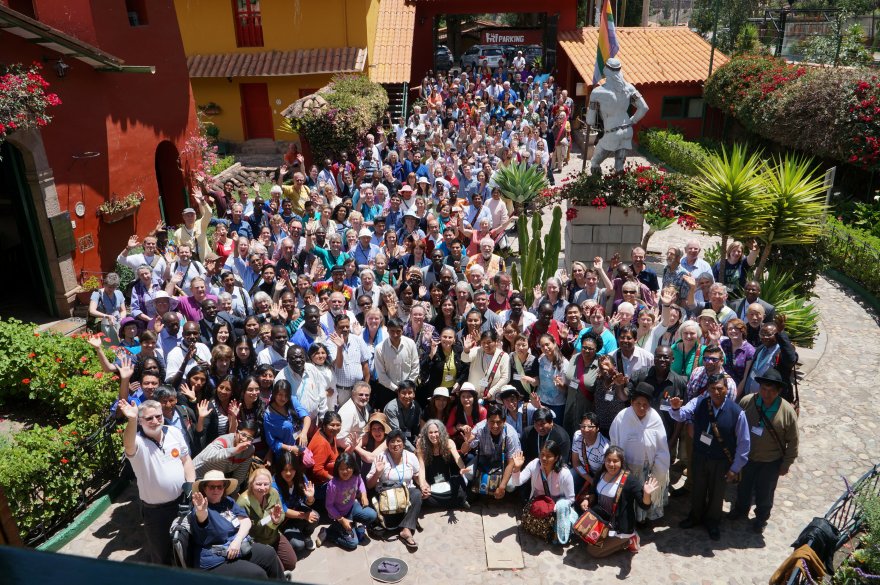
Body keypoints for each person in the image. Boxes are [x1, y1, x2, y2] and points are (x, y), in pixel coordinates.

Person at [669, 373, 750, 541]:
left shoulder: (737, 413)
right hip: (699, 456)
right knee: (698, 488)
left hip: (720, 461)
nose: (716, 392)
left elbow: (744, 443)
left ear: (726, 389)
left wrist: (735, 468)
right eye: (712, 389)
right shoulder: (699, 402)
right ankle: (695, 516)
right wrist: (676, 408)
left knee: (716, 493)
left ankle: (713, 522)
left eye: (720, 388)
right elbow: (681, 415)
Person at [117, 398, 195, 565]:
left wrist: (191, 483)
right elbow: (128, 445)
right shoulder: (138, 442)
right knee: (161, 553)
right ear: (140, 421)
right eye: (149, 418)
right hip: (156, 512)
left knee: (185, 544)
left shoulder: (174, 432)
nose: (155, 421)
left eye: (158, 416)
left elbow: (186, 459)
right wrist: (131, 419)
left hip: (181, 502)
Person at [731, 368, 799, 534]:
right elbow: (734, 427)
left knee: (765, 492)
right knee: (743, 486)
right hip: (747, 457)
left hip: (770, 461)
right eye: (763, 389)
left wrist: (786, 464)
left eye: (771, 390)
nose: (766, 394)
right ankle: (740, 509)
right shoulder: (747, 402)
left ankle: (761, 518)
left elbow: (793, 442)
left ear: (779, 391)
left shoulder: (787, 412)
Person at [188, 470, 284, 578]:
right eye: (212, 487)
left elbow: (246, 521)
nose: (216, 490)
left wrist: (237, 540)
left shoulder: (227, 501)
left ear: (224, 488)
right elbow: (202, 519)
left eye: (219, 487)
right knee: (258, 574)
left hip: (237, 547)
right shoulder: (201, 508)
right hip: (215, 561)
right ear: (204, 488)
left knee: (269, 554)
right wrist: (201, 511)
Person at [580, 447, 659, 557]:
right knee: (583, 539)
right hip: (601, 520)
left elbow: (645, 505)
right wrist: (586, 500)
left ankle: (629, 540)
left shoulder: (630, 480)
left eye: (615, 461)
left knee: (593, 551)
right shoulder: (601, 473)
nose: (611, 464)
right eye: (608, 460)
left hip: (619, 526)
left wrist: (646, 494)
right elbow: (593, 491)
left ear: (621, 462)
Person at [609, 383, 670, 523]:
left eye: (645, 404)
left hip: (648, 468)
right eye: (638, 404)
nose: (642, 408)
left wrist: (658, 468)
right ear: (631, 402)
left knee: (646, 492)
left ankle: (644, 519)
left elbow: (661, 446)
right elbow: (614, 441)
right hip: (628, 468)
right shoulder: (622, 417)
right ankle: (631, 520)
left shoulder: (655, 418)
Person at [510, 440, 578, 544]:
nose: (544, 458)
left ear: (556, 458)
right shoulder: (534, 465)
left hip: (556, 510)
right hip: (538, 507)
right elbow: (517, 482)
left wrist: (553, 508)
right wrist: (517, 468)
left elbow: (571, 499)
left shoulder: (565, 474)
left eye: (549, 456)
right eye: (542, 454)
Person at [366, 429, 423, 550]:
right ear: (387, 444)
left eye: (398, 441)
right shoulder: (380, 457)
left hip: (407, 492)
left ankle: (406, 530)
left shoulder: (411, 456)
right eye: (392, 441)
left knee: (417, 494)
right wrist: (377, 473)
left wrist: (424, 485)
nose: (396, 444)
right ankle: (400, 522)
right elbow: (370, 485)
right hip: (387, 494)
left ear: (403, 443)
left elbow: (417, 476)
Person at [236, 467, 298, 572]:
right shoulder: (243, 502)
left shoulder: (273, 493)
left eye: (266, 484)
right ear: (251, 484)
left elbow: (282, 513)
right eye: (258, 484)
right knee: (277, 570)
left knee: (291, 563)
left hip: (274, 535)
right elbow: (239, 528)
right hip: (257, 540)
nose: (263, 488)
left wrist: (276, 520)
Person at [461, 404, 522, 500]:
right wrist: (467, 441)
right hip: (484, 458)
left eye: (499, 422)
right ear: (486, 420)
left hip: (504, 462)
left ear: (504, 421)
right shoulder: (479, 428)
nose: (495, 426)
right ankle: (477, 489)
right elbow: (464, 450)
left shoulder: (511, 434)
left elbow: (511, 463)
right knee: (468, 474)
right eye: (492, 422)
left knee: (510, 486)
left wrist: (502, 487)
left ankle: (503, 493)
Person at [320, 452, 377, 550]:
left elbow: (361, 483)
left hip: (352, 507)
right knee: (352, 544)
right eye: (341, 469)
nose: (345, 471)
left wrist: (364, 495)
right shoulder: (333, 485)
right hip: (338, 515)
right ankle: (328, 532)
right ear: (337, 470)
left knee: (372, 515)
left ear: (353, 467)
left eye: (348, 468)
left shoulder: (356, 475)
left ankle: (351, 525)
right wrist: (342, 520)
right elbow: (329, 506)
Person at [272, 451, 319, 553]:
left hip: (297, 509)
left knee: (315, 516)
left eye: (291, 469)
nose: (288, 473)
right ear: (279, 469)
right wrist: (304, 515)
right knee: (298, 546)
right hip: (284, 519)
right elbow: (284, 510)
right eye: (285, 470)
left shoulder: (300, 477)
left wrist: (310, 498)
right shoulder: (274, 485)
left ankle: (306, 535)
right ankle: (285, 536)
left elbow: (308, 502)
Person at [416, 419, 469, 510]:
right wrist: (423, 484)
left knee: (460, 490)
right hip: (431, 483)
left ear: (441, 432)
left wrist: (462, 467)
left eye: (436, 432)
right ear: (426, 434)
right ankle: (453, 502)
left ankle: (454, 500)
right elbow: (421, 467)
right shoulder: (421, 444)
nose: (433, 435)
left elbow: (457, 458)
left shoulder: (448, 442)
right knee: (425, 496)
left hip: (446, 481)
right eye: (430, 432)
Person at [192, 422, 256, 488]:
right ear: (236, 432)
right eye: (243, 435)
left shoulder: (249, 450)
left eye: (249, 438)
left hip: (213, 481)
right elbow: (205, 456)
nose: (245, 439)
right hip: (195, 475)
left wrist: (233, 489)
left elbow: (240, 475)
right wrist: (234, 450)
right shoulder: (223, 441)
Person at [374, 317, 420, 410]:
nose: (395, 334)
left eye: (398, 331)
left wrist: (407, 387)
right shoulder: (380, 348)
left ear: (402, 330)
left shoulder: (410, 344)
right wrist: (396, 389)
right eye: (392, 331)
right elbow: (381, 375)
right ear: (387, 330)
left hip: (408, 391)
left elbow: (415, 366)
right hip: (388, 390)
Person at [263, 380, 312, 459]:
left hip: (300, 448)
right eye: (280, 395)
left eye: (286, 395)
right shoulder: (269, 416)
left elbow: (306, 417)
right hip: (284, 455)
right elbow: (272, 441)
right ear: (274, 394)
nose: (283, 398)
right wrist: (290, 448)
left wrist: (304, 433)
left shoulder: (292, 400)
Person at [461, 329, 510, 400]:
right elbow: (465, 359)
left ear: (496, 341)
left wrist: (491, 392)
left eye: (489, 342)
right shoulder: (477, 350)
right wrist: (466, 349)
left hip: (492, 397)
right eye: (483, 342)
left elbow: (505, 378)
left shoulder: (503, 356)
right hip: (473, 396)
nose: (486, 345)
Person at [571, 412, 609, 496]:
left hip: (600, 477)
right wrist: (590, 480)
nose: (586, 429)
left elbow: (607, 472)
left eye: (590, 427)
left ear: (597, 428)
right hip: (584, 471)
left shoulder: (604, 448)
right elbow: (576, 462)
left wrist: (595, 484)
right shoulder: (577, 435)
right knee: (570, 475)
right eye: (583, 426)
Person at [383, 380, 422, 452]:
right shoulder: (391, 408)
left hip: (409, 438)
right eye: (403, 393)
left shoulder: (416, 406)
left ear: (414, 394)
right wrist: (414, 450)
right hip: (393, 440)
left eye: (410, 393)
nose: (407, 396)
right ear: (398, 393)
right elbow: (397, 433)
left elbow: (417, 428)